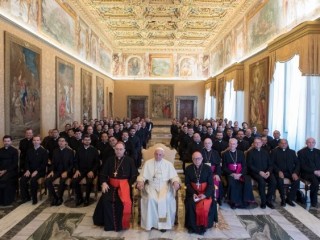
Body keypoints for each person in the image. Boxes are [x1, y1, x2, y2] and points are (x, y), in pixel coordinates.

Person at [93, 142, 138, 231]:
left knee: (122, 202)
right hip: (111, 186)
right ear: (114, 150)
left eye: (121, 149)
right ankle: (109, 225)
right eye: (117, 149)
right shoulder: (109, 160)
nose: (118, 151)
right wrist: (104, 183)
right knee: (106, 200)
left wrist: (127, 185)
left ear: (124, 150)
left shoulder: (129, 160)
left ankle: (121, 224)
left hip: (124, 187)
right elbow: (103, 174)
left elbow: (134, 175)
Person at [136, 147, 180, 231]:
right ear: (154, 154)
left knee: (164, 199)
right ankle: (152, 223)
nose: (158, 156)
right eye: (156, 154)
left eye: (160, 155)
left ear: (163, 155)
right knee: (150, 199)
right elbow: (142, 176)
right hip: (151, 186)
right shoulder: (148, 163)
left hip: (164, 186)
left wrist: (175, 182)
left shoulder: (168, 164)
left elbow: (174, 176)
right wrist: (140, 181)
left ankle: (163, 224)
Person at [184, 151, 215, 235]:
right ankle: (192, 227)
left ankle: (203, 226)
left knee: (204, 205)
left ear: (202, 158)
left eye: (199, 158)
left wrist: (205, 195)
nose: (197, 160)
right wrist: (193, 193)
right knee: (191, 204)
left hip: (205, 193)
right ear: (192, 159)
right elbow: (187, 183)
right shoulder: (188, 168)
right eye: (194, 158)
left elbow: (211, 184)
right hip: (193, 193)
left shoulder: (207, 168)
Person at [222, 138, 256, 209]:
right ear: (228, 144)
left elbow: (244, 165)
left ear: (236, 145)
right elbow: (224, 167)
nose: (232, 145)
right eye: (230, 143)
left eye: (234, 144)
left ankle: (246, 200)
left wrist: (240, 174)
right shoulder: (225, 154)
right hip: (230, 173)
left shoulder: (241, 153)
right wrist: (232, 174)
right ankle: (234, 202)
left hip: (240, 172)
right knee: (232, 182)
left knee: (247, 180)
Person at [247, 138, 276, 209]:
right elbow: (249, 165)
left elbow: (270, 164)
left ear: (262, 143)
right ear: (253, 144)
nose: (257, 144)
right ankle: (263, 201)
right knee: (262, 182)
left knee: (274, 182)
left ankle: (268, 200)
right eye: (256, 142)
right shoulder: (250, 152)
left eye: (259, 142)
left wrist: (268, 172)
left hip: (266, 172)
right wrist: (259, 172)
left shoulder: (266, 152)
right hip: (255, 172)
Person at [45, 137, 74, 206]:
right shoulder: (55, 151)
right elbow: (53, 163)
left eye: (63, 141)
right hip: (57, 171)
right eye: (60, 141)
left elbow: (72, 164)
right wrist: (51, 171)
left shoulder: (70, 151)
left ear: (65, 143)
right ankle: (55, 197)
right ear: (58, 142)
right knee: (47, 180)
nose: (61, 142)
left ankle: (60, 198)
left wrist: (67, 172)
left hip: (67, 171)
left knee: (62, 181)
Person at [72, 135, 99, 206]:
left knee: (89, 182)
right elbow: (76, 161)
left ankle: (87, 198)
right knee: (74, 181)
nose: (87, 141)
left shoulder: (94, 150)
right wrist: (77, 170)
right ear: (82, 141)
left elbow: (97, 163)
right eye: (85, 140)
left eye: (88, 140)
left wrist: (92, 171)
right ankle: (80, 198)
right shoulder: (79, 149)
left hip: (91, 170)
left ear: (90, 141)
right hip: (81, 170)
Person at [20, 136, 48, 204]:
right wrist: (27, 170)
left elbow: (44, 164)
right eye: (34, 140)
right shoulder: (29, 151)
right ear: (32, 142)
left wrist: (36, 171)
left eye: (37, 140)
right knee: (22, 180)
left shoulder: (44, 151)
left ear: (40, 141)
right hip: (30, 170)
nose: (36, 142)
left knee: (33, 180)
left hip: (40, 171)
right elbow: (26, 162)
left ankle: (34, 198)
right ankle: (26, 197)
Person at [271, 139, 299, 207]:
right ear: (279, 144)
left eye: (285, 143)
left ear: (287, 144)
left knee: (297, 181)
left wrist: (295, 172)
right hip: (279, 172)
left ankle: (289, 199)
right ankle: (283, 199)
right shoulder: (274, 152)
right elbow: (272, 163)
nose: (284, 144)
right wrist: (278, 171)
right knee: (280, 181)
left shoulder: (292, 152)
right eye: (282, 143)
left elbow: (297, 163)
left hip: (290, 172)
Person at [298, 137, 320, 207]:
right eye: (309, 142)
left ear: (315, 143)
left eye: (313, 142)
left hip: (318, 172)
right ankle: (314, 200)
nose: (311, 144)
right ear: (306, 143)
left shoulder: (318, 151)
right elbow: (302, 166)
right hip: (307, 173)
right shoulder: (301, 152)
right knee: (315, 182)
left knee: (316, 180)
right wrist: (314, 171)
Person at [201, 138, 222, 206]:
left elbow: (218, 165)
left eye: (209, 143)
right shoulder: (200, 152)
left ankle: (216, 199)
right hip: (203, 172)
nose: (207, 145)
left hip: (213, 173)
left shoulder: (215, 152)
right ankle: (205, 197)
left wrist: (217, 174)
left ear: (212, 144)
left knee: (216, 181)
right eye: (206, 143)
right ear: (204, 144)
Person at [0, 135, 18, 206]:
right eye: (5, 141)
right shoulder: (0, 150)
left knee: (3, 180)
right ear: (3, 142)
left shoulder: (14, 151)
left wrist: (5, 171)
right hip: (1, 170)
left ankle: (7, 200)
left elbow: (14, 164)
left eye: (8, 141)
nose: (6, 142)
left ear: (11, 142)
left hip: (11, 171)